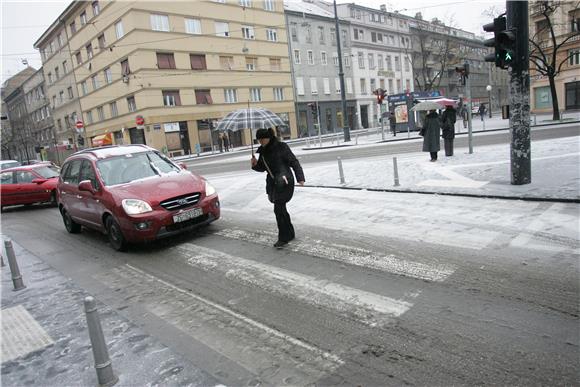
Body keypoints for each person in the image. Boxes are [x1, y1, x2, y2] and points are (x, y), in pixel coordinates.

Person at [251, 128, 305, 248]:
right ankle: (290, 233)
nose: (261, 142)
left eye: (263, 139)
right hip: (274, 183)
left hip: (285, 181)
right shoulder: (263, 152)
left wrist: (300, 177)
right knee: (281, 209)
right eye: (259, 140)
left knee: (278, 210)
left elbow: (294, 162)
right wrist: (254, 165)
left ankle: (283, 238)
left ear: (268, 138)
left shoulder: (281, 147)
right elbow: (262, 167)